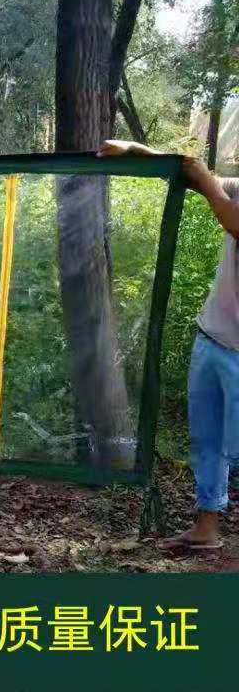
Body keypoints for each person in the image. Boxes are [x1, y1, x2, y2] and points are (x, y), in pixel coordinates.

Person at [99, 139, 239, 550]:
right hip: (213, 337)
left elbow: (230, 217)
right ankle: (207, 528)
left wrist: (202, 175)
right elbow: (191, 173)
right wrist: (135, 150)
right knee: (208, 442)